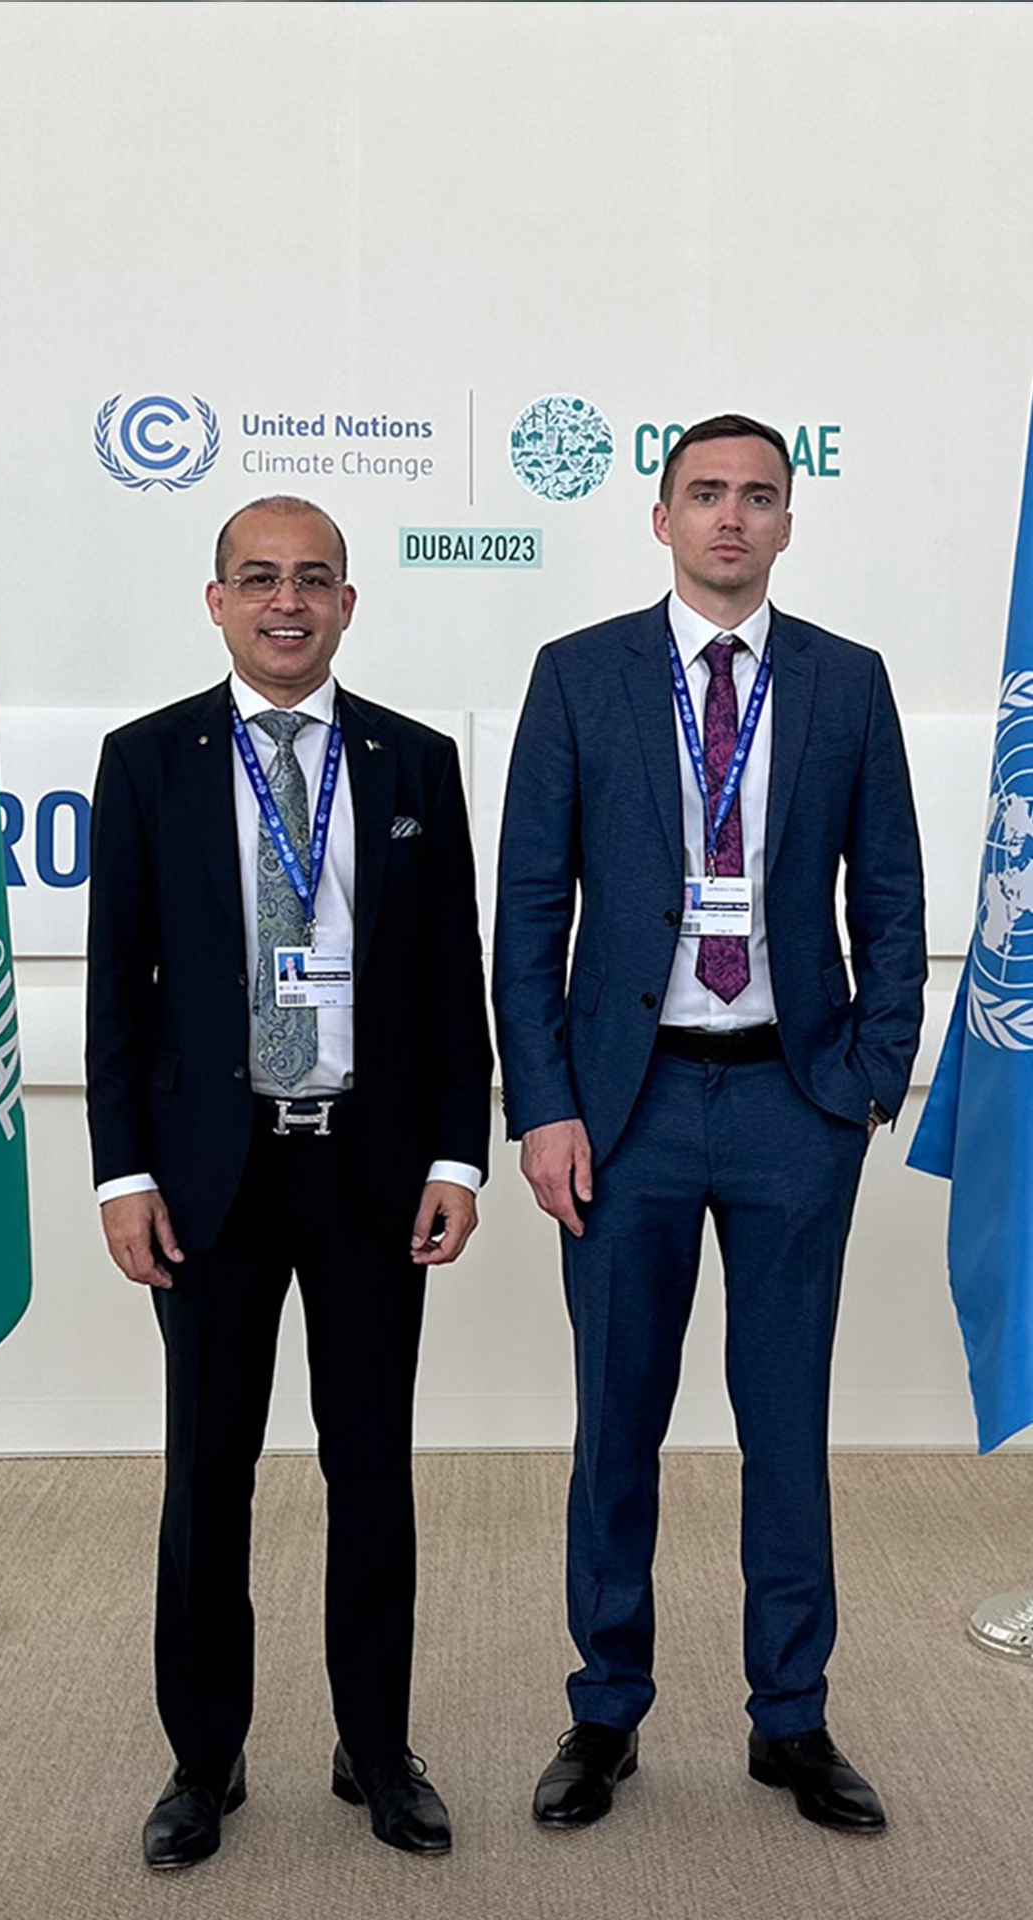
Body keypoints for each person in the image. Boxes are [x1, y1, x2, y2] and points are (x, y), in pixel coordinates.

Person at [493, 415, 925, 1836]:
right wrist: (545, 1106)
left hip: (794, 1103)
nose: (731, 518)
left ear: (791, 522)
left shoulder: (847, 684)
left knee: (785, 1427)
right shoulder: (580, 677)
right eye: (705, 495)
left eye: (758, 497)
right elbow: (528, 915)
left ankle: (789, 1723)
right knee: (615, 1423)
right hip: (628, 1113)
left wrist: (864, 1080)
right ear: (661, 517)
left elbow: (896, 905)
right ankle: (605, 1710)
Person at [87, 496, 492, 1867]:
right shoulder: (146, 761)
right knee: (210, 1475)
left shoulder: (416, 764)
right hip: (210, 1179)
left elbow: (453, 987)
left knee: (372, 1469)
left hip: (373, 1173)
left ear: (348, 604)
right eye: (258, 579)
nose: (286, 602)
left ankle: (375, 1749)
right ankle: (205, 1760)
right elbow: (116, 992)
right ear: (216, 602)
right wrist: (120, 1173)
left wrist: (455, 1153)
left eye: (312, 580)